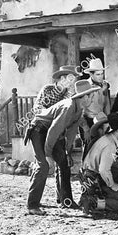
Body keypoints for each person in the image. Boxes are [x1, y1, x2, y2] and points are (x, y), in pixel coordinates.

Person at [25, 80, 100, 215]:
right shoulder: (69, 107)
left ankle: (66, 201)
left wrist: (67, 151)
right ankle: (32, 205)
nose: (92, 98)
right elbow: (54, 130)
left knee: (64, 163)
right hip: (38, 130)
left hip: (51, 134)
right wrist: (48, 154)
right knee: (44, 166)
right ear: (84, 97)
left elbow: (70, 133)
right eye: (91, 95)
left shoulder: (78, 110)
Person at [79, 112, 118, 213]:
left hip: (90, 175)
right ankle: (92, 201)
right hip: (93, 177)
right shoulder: (110, 145)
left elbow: (112, 162)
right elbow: (103, 170)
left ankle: (94, 197)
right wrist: (113, 186)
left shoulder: (108, 139)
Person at [81, 58, 111, 151]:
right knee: (88, 147)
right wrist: (85, 128)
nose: (101, 77)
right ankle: (85, 165)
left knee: (102, 147)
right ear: (91, 74)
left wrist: (108, 120)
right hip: (88, 120)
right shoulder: (84, 86)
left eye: (102, 74)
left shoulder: (105, 85)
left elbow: (106, 104)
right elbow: (80, 110)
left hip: (101, 119)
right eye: (98, 74)